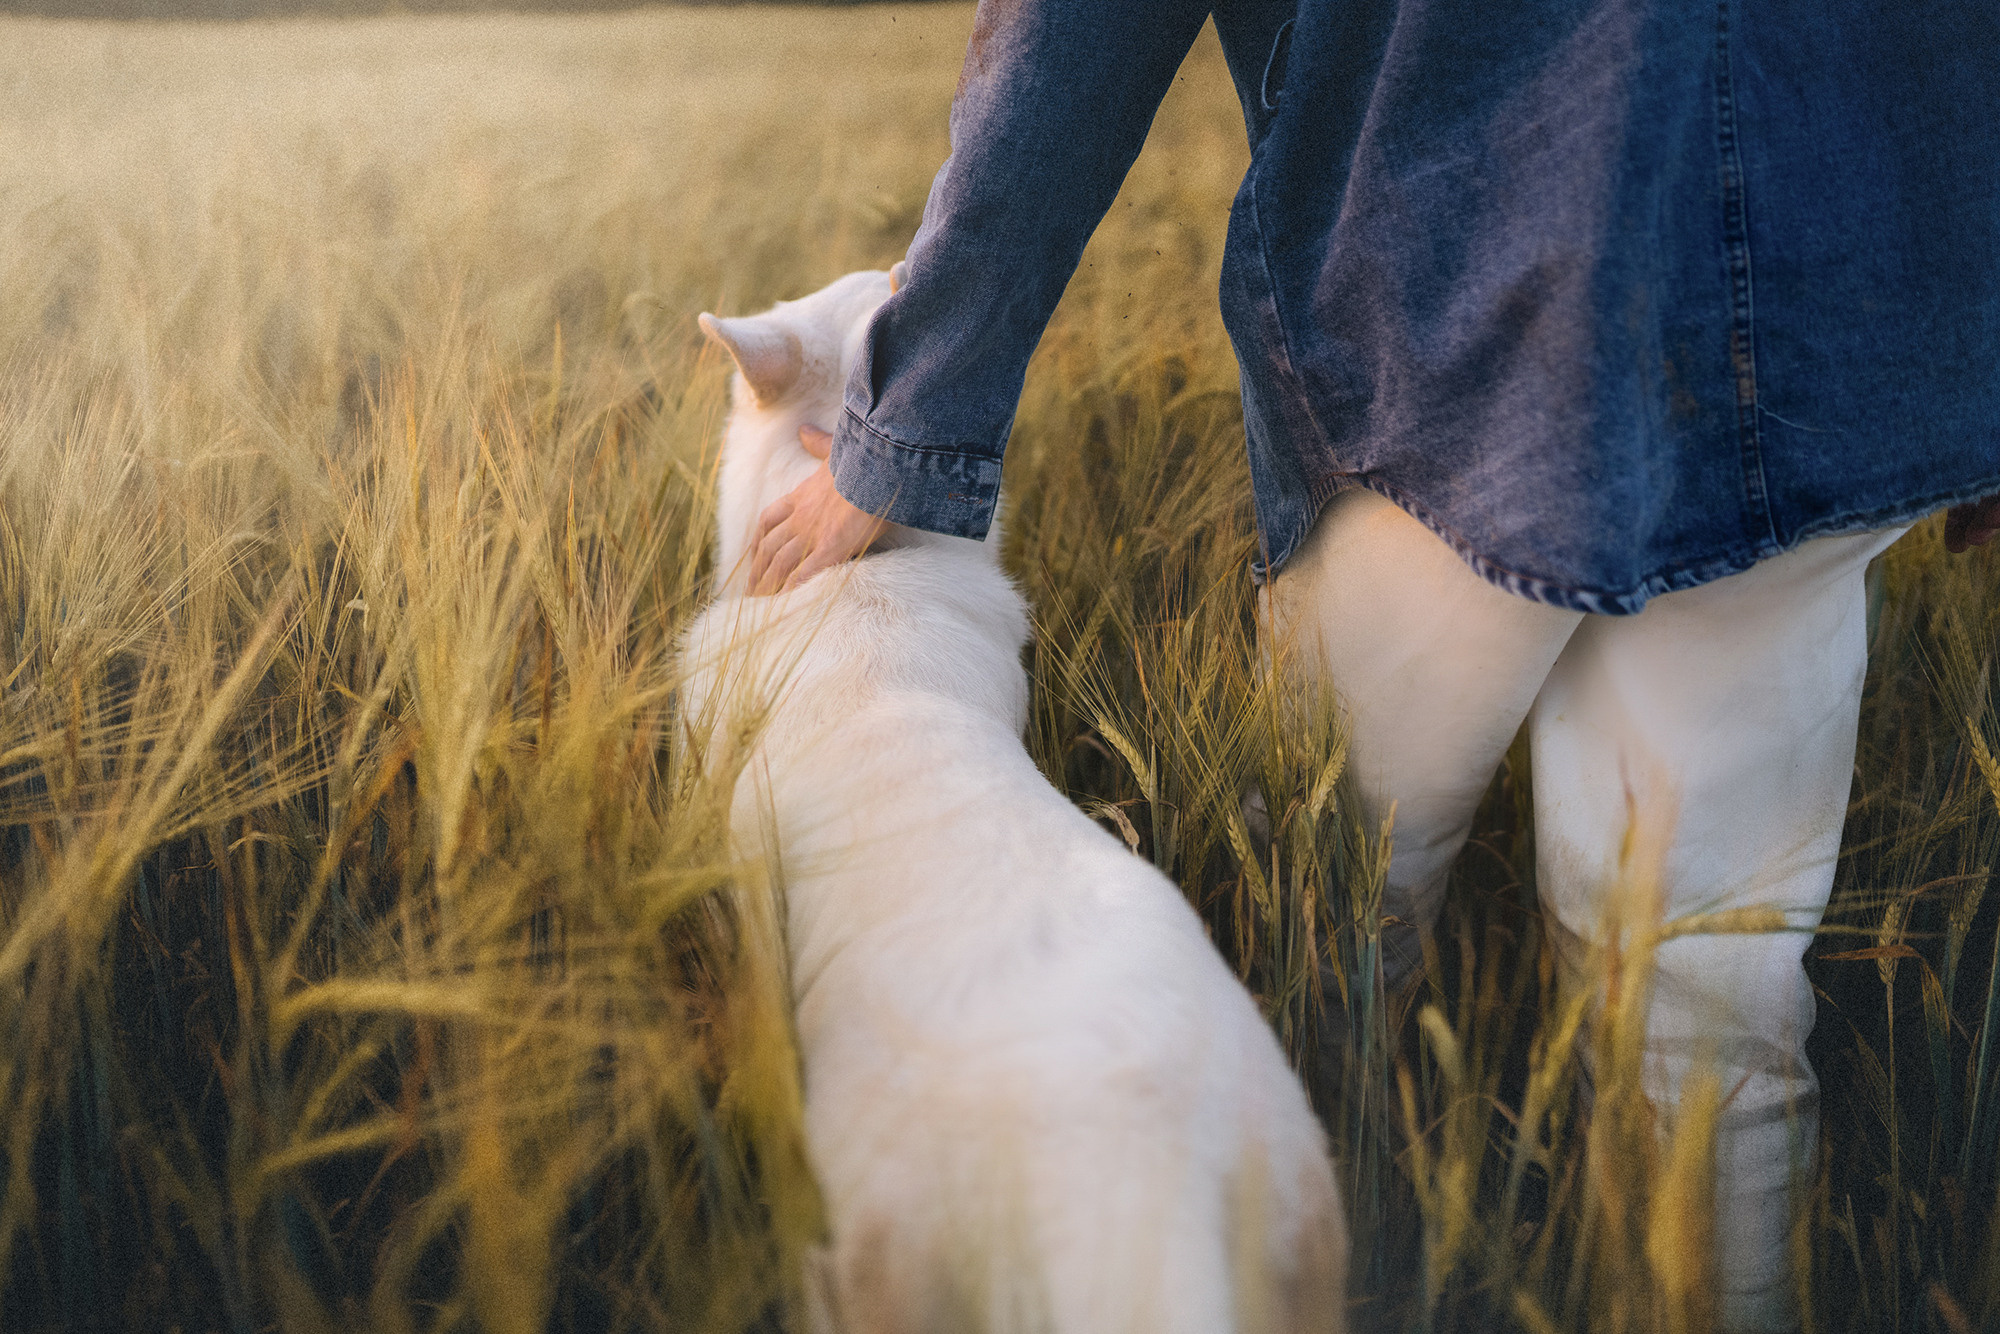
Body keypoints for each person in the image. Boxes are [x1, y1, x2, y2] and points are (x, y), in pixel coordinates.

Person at [742, 3, 2000, 1329]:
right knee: (1710, 1025)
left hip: (1448, 316)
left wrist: (906, 423)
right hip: (1814, 318)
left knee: (1315, 961)